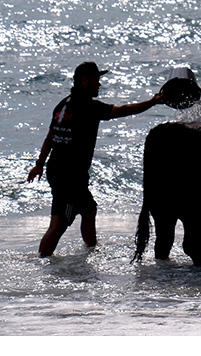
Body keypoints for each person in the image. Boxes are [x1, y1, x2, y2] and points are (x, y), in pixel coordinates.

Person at [27, 61, 165, 257]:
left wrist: (39, 165)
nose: (99, 85)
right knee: (59, 224)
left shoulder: (63, 105)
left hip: (59, 170)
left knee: (89, 209)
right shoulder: (87, 107)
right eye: (96, 80)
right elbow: (124, 110)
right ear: (84, 81)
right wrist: (152, 102)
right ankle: (42, 262)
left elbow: (50, 136)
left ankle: (90, 250)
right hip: (69, 176)